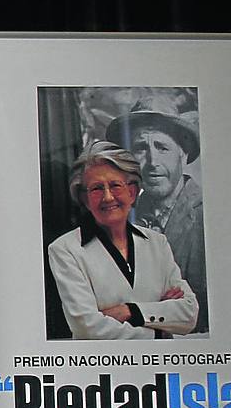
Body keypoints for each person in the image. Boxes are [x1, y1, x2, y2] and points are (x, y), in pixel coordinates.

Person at [46, 141, 199, 340]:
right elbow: (87, 328)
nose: (108, 197)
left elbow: (188, 313)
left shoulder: (157, 243)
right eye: (96, 189)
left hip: (158, 368)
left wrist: (129, 311)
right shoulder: (65, 249)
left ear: (132, 192)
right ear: (84, 199)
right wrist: (161, 329)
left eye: (115, 185)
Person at [105, 104, 207, 333]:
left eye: (162, 148)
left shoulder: (208, 218)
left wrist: (138, 308)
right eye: (141, 148)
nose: (152, 162)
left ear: (184, 153)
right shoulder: (122, 220)